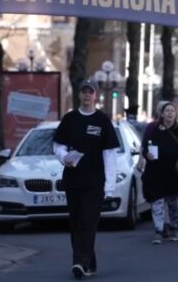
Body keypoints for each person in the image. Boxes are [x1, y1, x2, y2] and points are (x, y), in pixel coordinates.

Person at [52, 79, 119, 279]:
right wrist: (64, 157)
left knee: (88, 221)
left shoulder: (102, 120)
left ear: (96, 95)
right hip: (73, 179)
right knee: (76, 222)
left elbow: (110, 154)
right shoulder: (70, 119)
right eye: (84, 91)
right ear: (79, 94)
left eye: (91, 92)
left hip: (95, 181)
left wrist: (110, 186)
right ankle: (89, 263)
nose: (87, 95)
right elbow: (58, 145)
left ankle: (79, 262)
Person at [142, 101, 178, 244]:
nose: (170, 113)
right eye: (167, 111)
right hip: (156, 171)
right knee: (157, 202)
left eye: (172, 111)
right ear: (162, 114)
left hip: (174, 172)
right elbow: (145, 146)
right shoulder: (154, 129)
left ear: (175, 114)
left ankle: (173, 227)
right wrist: (147, 154)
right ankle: (158, 230)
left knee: (173, 202)